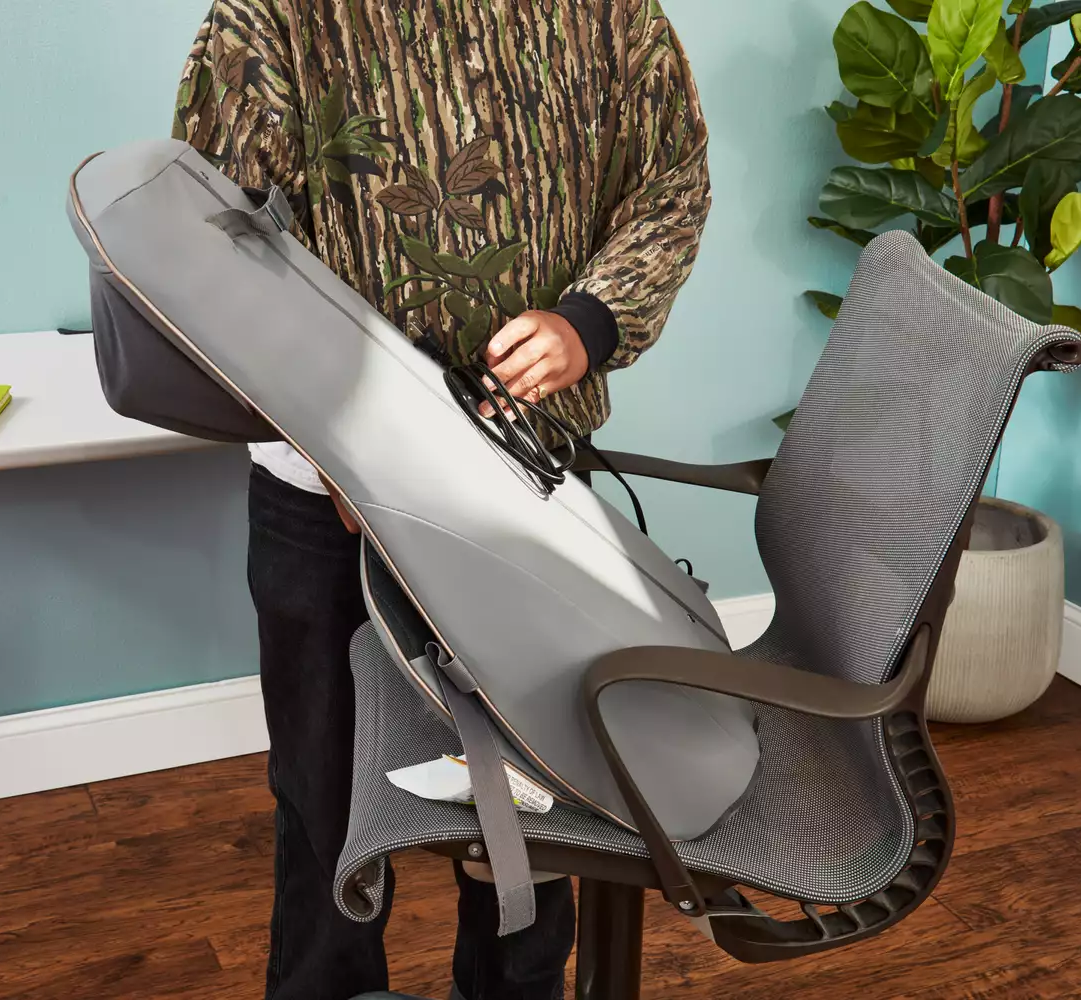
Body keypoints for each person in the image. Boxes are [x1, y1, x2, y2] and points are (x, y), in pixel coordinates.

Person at [172, 2, 710, 997]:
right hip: (325, 497)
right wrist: (330, 439)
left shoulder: (611, 16)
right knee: (325, 805)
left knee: (538, 807)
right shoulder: (273, 21)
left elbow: (670, 183)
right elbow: (213, 240)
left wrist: (590, 321)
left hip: (528, 489)